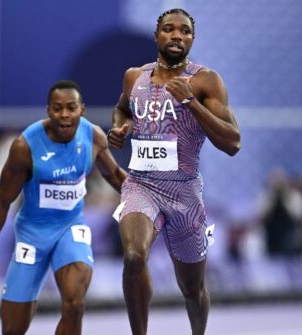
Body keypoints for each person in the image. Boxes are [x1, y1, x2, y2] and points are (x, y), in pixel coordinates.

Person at [107, 8, 240, 335]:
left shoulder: (205, 80)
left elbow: (233, 142)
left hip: (185, 194)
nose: (177, 35)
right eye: (169, 29)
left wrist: (192, 103)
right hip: (142, 185)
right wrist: (120, 127)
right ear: (157, 36)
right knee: (134, 257)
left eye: (185, 31)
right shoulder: (133, 76)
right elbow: (123, 107)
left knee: (192, 291)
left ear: (192, 39)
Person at [0, 80, 127, 335]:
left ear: (81, 110)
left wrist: (150, 198)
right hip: (32, 235)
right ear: (48, 111)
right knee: (12, 330)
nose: (64, 115)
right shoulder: (25, 147)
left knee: (74, 304)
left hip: (70, 229)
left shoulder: (93, 137)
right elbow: (1, 201)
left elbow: (116, 176)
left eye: (71, 108)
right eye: (57, 108)